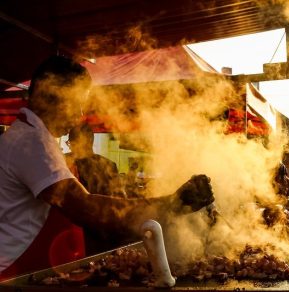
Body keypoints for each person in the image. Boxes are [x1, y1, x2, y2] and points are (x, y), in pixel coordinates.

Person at [0, 55, 215, 279]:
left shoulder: (32, 137)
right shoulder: (31, 142)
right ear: (50, 95)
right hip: (11, 274)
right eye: (76, 103)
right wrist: (173, 204)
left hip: (29, 269)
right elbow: (85, 208)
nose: (80, 114)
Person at [65, 123, 123, 197]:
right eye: (69, 143)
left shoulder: (66, 162)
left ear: (86, 143)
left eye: (72, 144)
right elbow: (117, 196)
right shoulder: (110, 165)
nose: (70, 148)